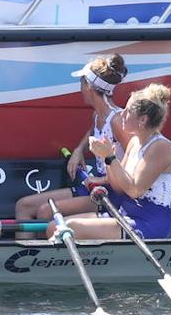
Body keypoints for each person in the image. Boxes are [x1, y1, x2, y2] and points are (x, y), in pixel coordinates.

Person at [52, 83, 171, 240]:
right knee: (54, 226)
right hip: (125, 214)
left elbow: (134, 190)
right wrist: (107, 157)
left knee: (70, 227)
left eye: (128, 111)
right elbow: (119, 188)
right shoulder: (134, 142)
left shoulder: (161, 146)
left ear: (143, 119)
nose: (122, 114)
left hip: (150, 224)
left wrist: (111, 158)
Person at [15, 55, 130, 223]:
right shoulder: (98, 115)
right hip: (96, 186)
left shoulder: (118, 120)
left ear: (89, 86)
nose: (80, 89)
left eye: (82, 84)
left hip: (113, 195)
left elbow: (133, 164)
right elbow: (93, 132)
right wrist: (78, 150)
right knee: (23, 206)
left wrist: (102, 179)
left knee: (46, 212)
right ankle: (29, 250)